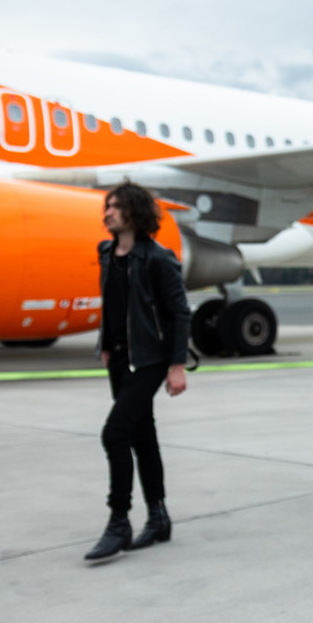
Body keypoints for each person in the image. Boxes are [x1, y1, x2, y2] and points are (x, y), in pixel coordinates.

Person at [87, 181, 191, 561]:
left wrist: (176, 365)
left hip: (149, 360)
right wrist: (105, 344)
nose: (108, 212)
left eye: (115, 206)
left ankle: (119, 522)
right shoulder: (107, 252)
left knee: (114, 434)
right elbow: (112, 304)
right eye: (107, 206)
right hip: (118, 359)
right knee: (141, 436)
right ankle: (159, 518)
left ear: (134, 212)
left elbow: (179, 312)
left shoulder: (158, 259)